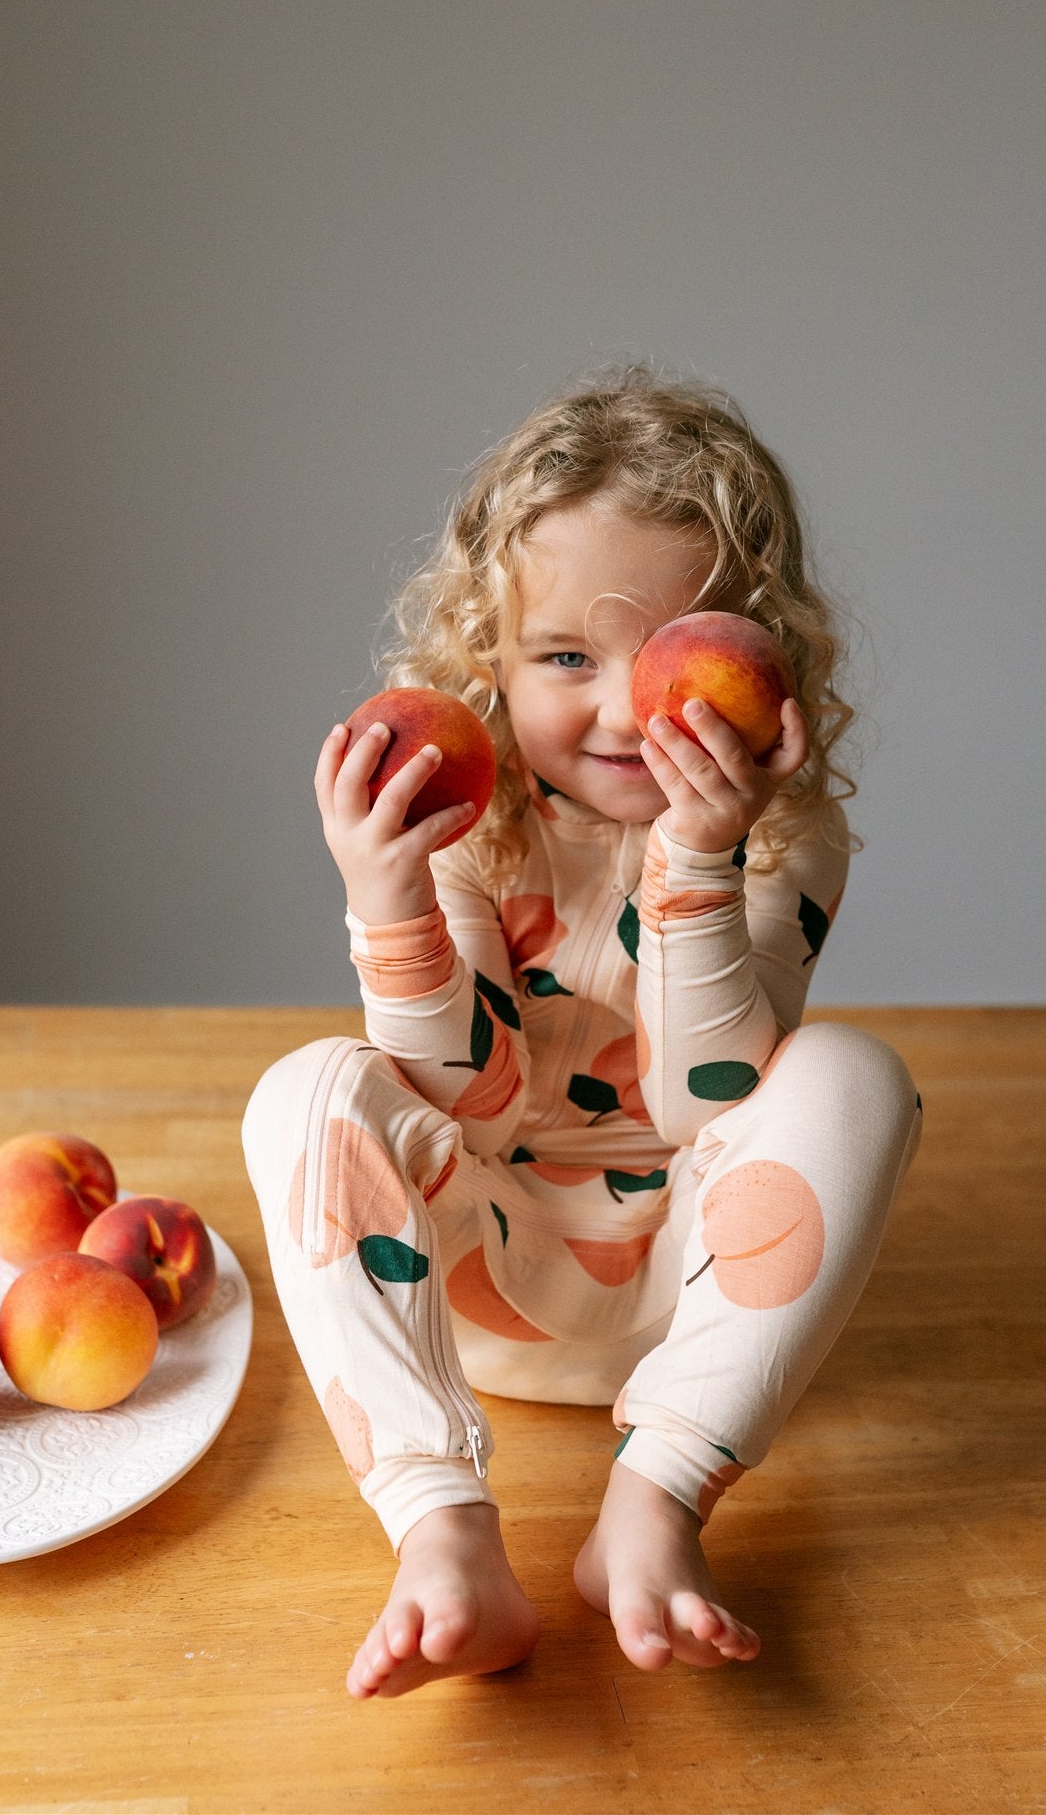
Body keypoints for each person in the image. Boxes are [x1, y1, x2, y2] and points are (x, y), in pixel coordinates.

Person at [242, 361, 922, 1699]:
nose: (621, 710)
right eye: (564, 656)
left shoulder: (785, 836)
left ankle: (653, 1502)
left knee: (852, 1072)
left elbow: (697, 1100)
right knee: (307, 1088)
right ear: (483, 658)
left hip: (696, 1293)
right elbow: (468, 1101)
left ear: (762, 650)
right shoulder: (463, 813)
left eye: (671, 654)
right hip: (473, 1274)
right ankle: (441, 1534)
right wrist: (388, 896)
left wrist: (698, 856)